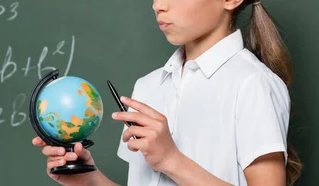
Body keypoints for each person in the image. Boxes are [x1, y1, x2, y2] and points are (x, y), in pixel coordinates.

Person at [32, 0, 302, 185]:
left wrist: (171, 160)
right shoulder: (148, 87)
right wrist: (88, 179)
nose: (158, 5)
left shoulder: (253, 84)